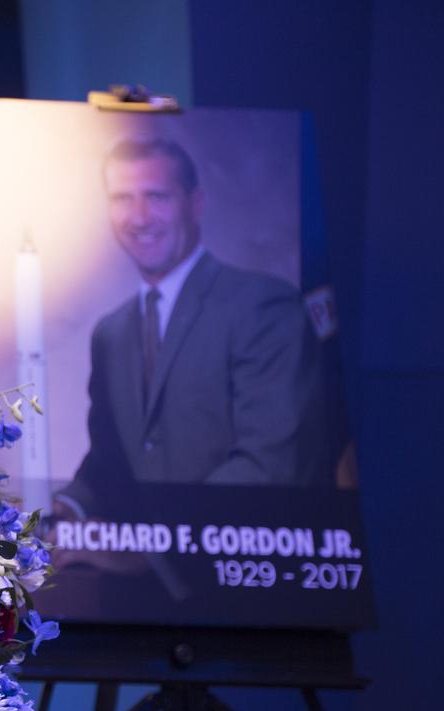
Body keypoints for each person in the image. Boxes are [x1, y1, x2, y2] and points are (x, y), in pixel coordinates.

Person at [57, 137, 325, 521]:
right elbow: (110, 463)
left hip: (238, 570)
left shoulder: (263, 308)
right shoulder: (110, 334)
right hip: (135, 575)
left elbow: (270, 465)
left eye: (157, 197)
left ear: (195, 204)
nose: (139, 217)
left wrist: (154, 546)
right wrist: (68, 506)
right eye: (122, 199)